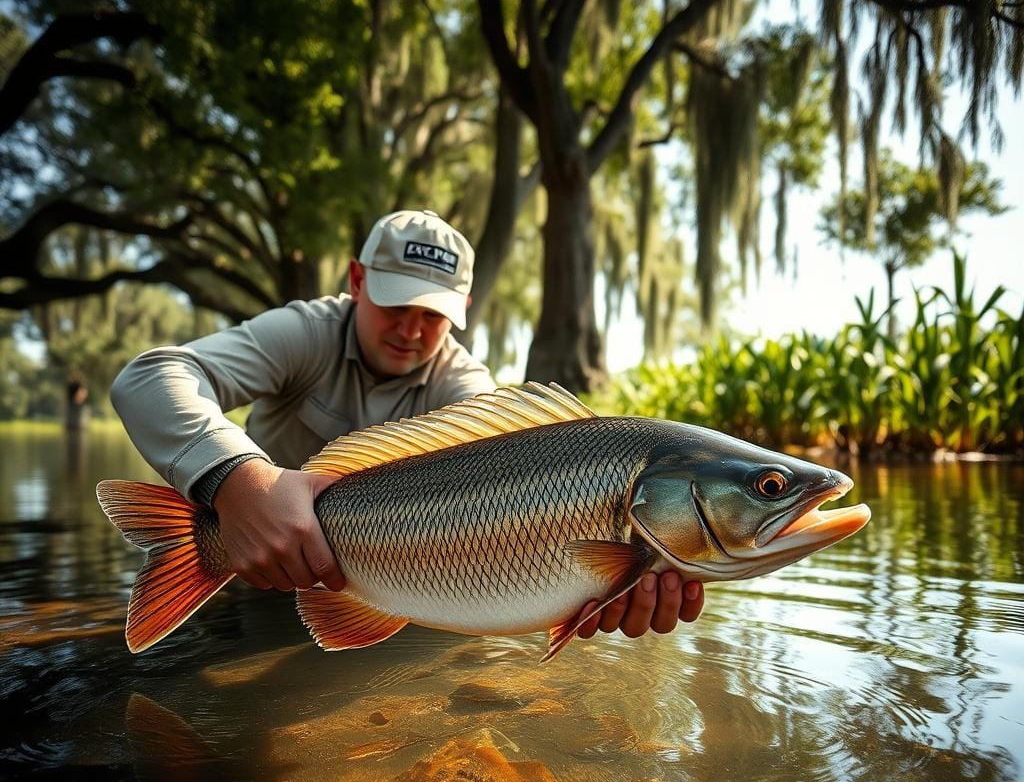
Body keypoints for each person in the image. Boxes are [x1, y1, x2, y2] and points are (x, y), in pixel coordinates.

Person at [111, 209, 704, 639]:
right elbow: (147, 379)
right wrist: (236, 481)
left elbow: (510, 511)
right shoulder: (305, 332)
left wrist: (599, 584)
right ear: (357, 281)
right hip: (260, 579)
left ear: (462, 311)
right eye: (395, 303)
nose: (411, 330)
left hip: (400, 591)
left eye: (433, 314)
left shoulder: (469, 388)